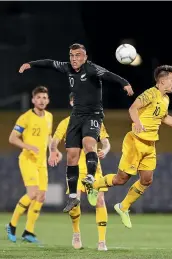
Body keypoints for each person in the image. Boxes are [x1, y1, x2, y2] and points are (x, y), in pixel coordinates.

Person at [19, 43, 133, 212]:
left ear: (85, 57)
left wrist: (125, 83)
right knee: (72, 155)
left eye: (78, 55)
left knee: (88, 144)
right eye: (72, 55)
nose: (74, 59)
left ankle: (89, 177)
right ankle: (73, 197)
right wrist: (31, 64)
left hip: (93, 114)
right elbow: (50, 63)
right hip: (76, 116)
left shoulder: (92, 69)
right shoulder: (67, 68)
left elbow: (109, 75)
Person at [91, 65, 172, 228]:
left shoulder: (165, 99)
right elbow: (133, 108)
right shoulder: (150, 93)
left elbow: (164, 117)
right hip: (136, 142)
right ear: (162, 81)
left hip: (150, 144)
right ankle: (93, 185)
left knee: (147, 180)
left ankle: (123, 207)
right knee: (121, 179)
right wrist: (138, 122)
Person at [49, 92, 110, 251]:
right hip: (76, 170)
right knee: (75, 203)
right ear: (71, 103)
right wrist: (53, 151)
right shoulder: (65, 123)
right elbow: (54, 141)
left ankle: (102, 241)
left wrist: (105, 149)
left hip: (94, 170)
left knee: (100, 201)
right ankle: (76, 233)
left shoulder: (95, 122)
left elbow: (106, 142)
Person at [6, 86, 59, 243]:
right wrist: (28, 146)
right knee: (32, 193)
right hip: (28, 160)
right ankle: (12, 224)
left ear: (48, 100)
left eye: (44, 97)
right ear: (33, 100)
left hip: (41, 163)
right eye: (39, 98)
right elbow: (12, 138)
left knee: (41, 197)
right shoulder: (25, 118)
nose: (42, 100)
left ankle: (28, 231)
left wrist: (54, 151)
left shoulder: (49, 117)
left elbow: (48, 137)